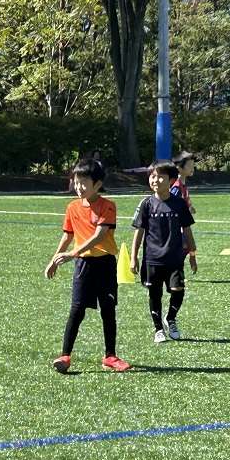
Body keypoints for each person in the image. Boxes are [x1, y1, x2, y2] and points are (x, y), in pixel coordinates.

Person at [45, 159, 131, 374]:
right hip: (83, 265)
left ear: (97, 184)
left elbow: (99, 235)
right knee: (77, 309)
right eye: (76, 182)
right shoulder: (72, 207)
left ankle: (110, 356)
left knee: (108, 310)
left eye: (84, 182)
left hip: (105, 264)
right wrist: (54, 260)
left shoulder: (108, 206)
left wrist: (73, 253)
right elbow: (67, 236)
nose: (79, 187)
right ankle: (65, 355)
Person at [130, 162, 198, 343]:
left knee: (178, 289)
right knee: (155, 293)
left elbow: (187, 230)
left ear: (171, 180)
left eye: (160, 177)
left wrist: (192, 255)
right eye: (153, 176)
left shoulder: (179, 204)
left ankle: (171, 318)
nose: (155, 180)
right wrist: (133, 257)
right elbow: (139, 232)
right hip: (152, 259)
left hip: (175, 258)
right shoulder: (146, 204)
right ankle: (158, 328)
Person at [170, 151, 197, 216]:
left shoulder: (182, 185)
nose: (192, 168)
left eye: (193, 165)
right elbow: (171, 205)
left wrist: (189, 207)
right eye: (189, 166)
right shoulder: (176, 187)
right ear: (179, 168)